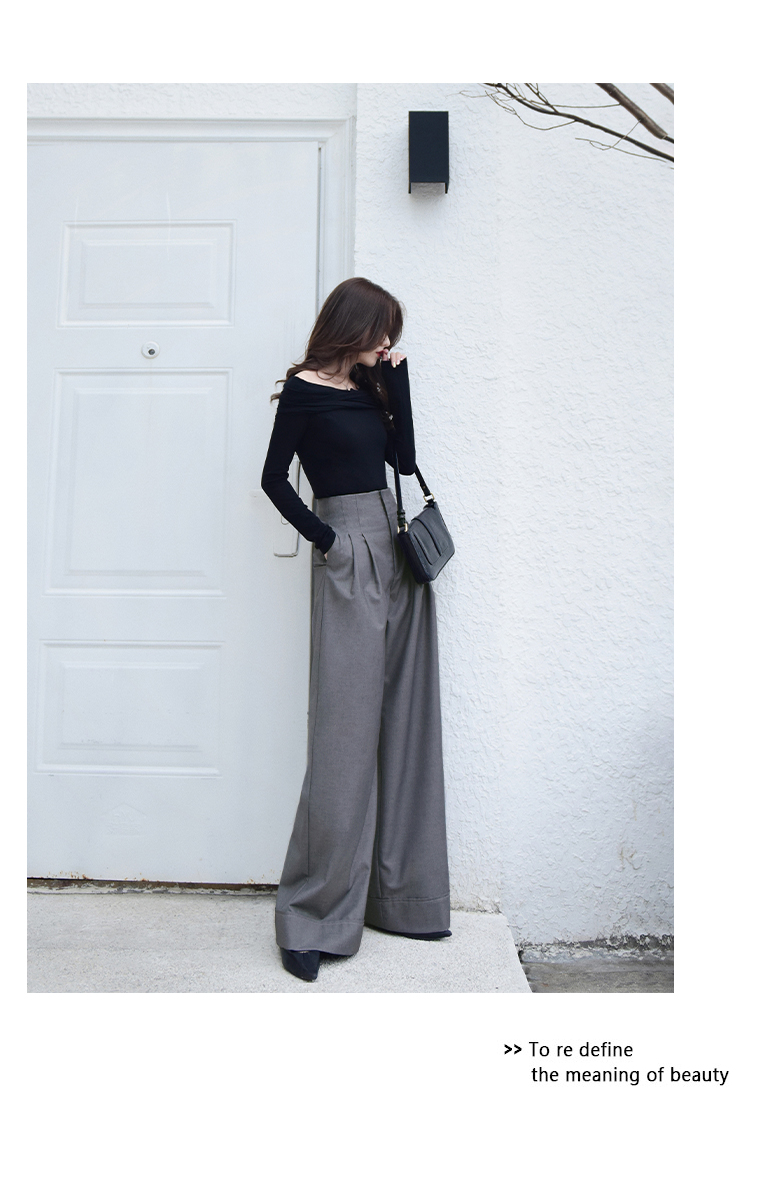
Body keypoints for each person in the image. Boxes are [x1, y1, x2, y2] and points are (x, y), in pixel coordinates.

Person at [260, 277, 451, 983]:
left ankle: (402, 899)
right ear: (354, 324)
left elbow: (402, 462)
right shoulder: (303, 391)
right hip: (347, 550)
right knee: (343, 735)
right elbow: (273, 479)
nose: (388, 342)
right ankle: (310, 919)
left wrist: (398, 384)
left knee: (405, 723)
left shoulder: (372, 387)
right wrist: (328, 541)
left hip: (396, 552)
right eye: (382, 330)